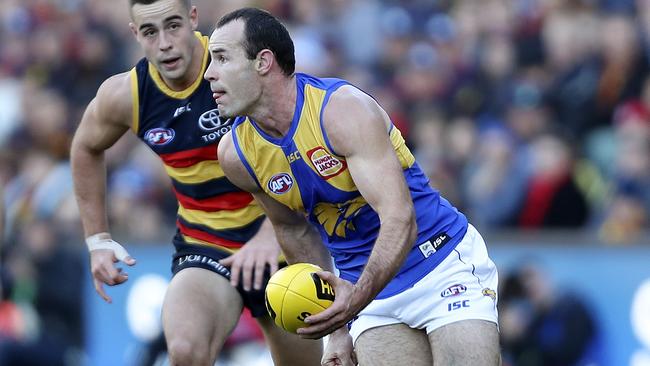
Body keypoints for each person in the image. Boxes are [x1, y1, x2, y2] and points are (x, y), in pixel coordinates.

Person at [206, 7, 501, 366]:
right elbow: (293, 231)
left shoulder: (341, 111)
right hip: (365, 293)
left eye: (222, 58)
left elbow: (400, 220)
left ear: (263, 61)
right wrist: (337, 329)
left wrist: (353, 302)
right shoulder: (236, 155)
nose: (209, 73)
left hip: (438, 262)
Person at [70, 1, 324, 365]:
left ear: (193, 18)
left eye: (173, 25)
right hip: (205, 243)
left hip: (282, 239)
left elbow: (300, 141)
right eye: (149, 32)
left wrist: (272, 233)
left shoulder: (237, 66)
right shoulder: (129, 94)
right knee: (186, 351)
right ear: (134, 34)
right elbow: (85, 147)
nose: (164, 43)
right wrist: (97, 239)